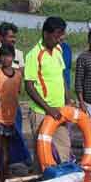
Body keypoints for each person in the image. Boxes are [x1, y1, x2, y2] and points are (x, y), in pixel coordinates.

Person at [25, 16, 72, 171]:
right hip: (41, 112)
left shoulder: (58, 50)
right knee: (41, 153)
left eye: (62, 35)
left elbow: (62, 77)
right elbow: (29, 87)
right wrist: (48, 109)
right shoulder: (33, 54)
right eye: (57, 35)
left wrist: (68, 100)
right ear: (46, 33)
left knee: (64, 148)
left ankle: (62, 181)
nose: (60, 39)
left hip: (60, 111)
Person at [0, 22, 31, 169]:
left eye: (15, 37)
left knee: (15, 133)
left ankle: (13, 162)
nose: (13, 39)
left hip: (13, 101)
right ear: (1, 37)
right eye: (10, 36)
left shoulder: (18, 53)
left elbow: (21, 73)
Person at [0, 45, 22, 182]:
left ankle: (5, 175)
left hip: (11, 118)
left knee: (7, 149)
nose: (6, 59)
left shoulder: (18, 75)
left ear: (13, 58)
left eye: (8, 56)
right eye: (3, 56)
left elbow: (17, 93)